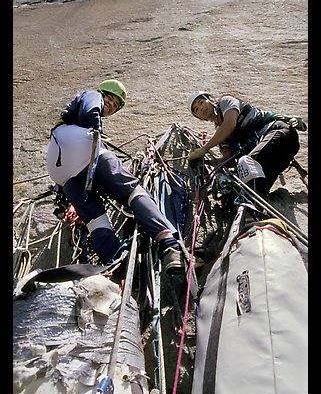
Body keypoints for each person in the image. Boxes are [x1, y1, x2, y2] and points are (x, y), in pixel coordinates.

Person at [46, 79, 185, 274]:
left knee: (95, 219)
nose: (110, 106)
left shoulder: (68, 120)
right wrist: (97, 133)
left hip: (60, 172)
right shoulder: (91, 95)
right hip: (82, 147)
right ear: (102, 93)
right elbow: (89, 112)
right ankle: (168, 242)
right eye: (110, 100)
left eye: (115, 106)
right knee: (132, 191)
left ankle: (114, 260)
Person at [187, 91, 306, 195]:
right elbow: (227, 158)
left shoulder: (226, 102)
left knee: (246, 163)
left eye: (201, 102)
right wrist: (206, 163)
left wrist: (204, 149)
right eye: (196, 109)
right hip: (273, 159)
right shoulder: (221, 134)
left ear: (210, 100)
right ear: (199, 117)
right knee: (249, 190)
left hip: (279, 133)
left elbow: (230, 123)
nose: (201, 108)